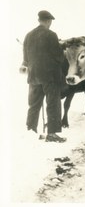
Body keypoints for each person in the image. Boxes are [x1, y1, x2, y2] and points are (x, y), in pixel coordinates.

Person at [19, 10, 66, 142]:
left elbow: (26, 58)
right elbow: (59, 57)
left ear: (39, 20)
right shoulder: (51, 35)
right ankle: (52, 134)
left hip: (33, 77)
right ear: (48, 21)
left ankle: (31, 130)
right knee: (53, 104)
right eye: (50, 22)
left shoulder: (28, 36)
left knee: (34, 105)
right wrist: (62, 50)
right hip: (50, 77)